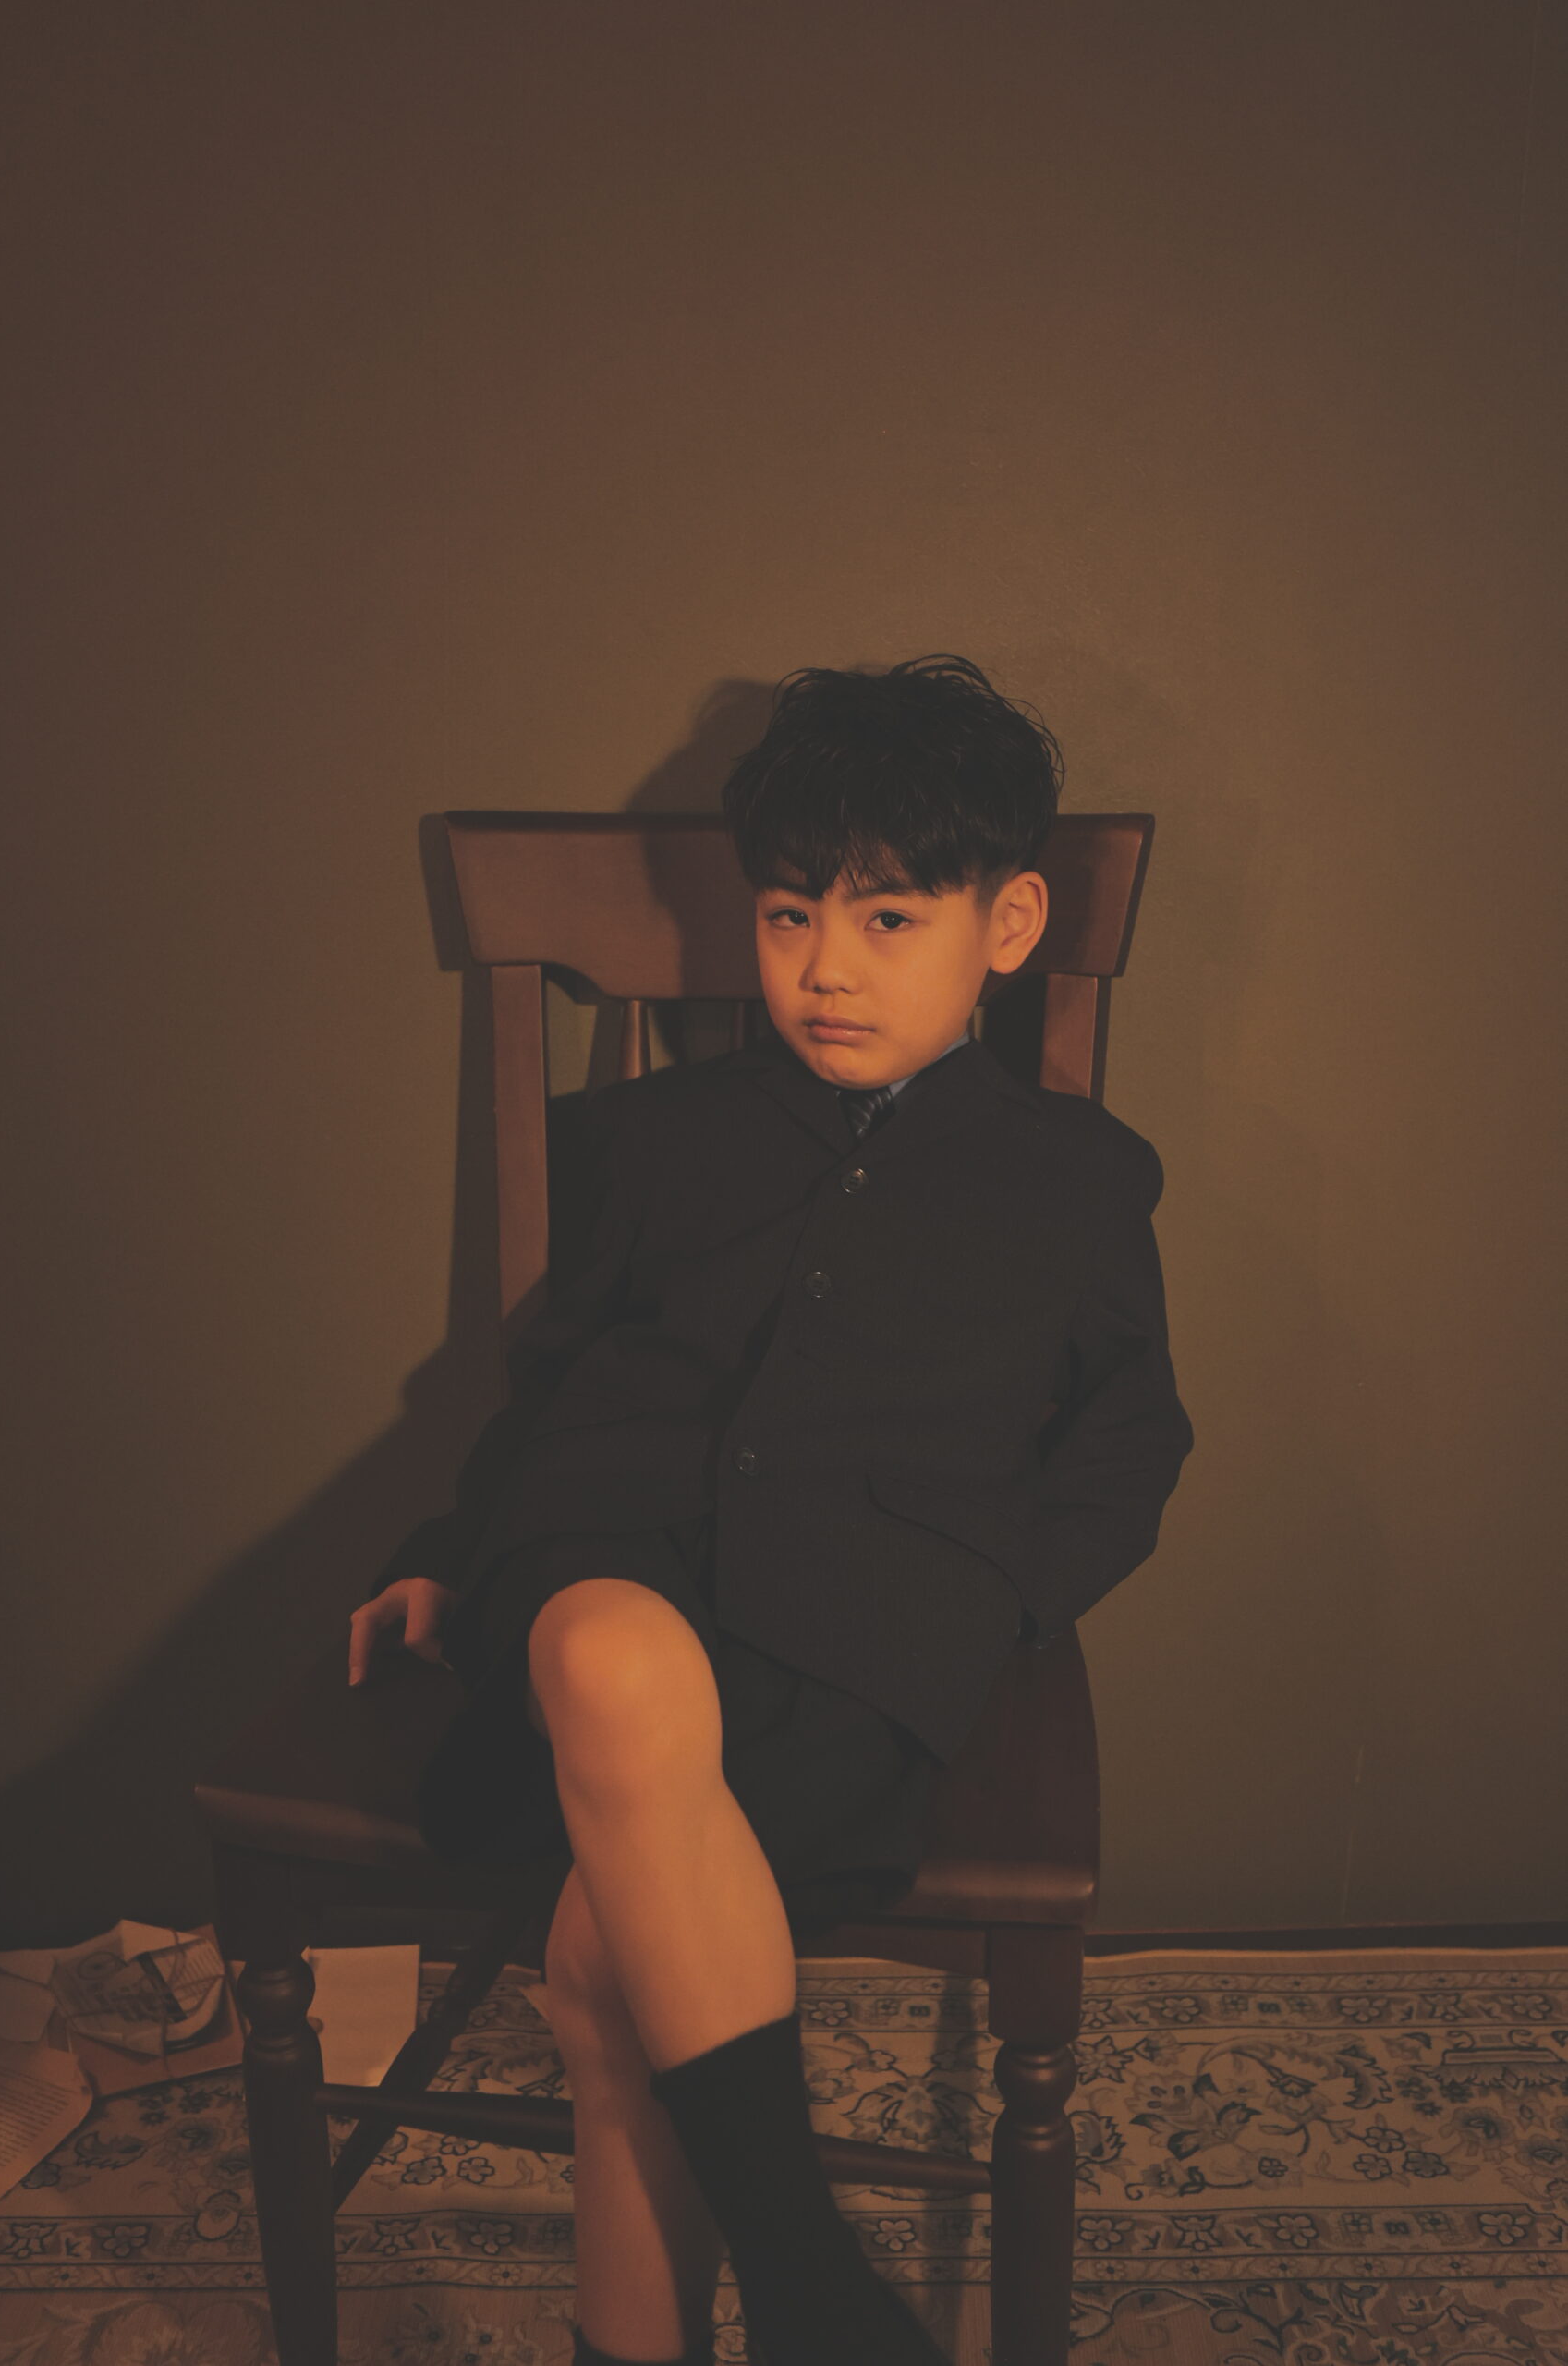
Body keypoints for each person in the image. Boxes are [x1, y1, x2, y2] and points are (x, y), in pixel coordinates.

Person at [349, 654, 1195, 2366]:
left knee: (605, 1975)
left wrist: (988, 1598)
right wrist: (450, 1553)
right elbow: (555, 1388)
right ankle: (813, 2285)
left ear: (1009, 923)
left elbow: (1132, 1440)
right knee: (612, 1658)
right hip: (608, 1560)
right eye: (791, 913)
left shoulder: (1081, 1179)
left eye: (887, 920)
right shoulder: (659, 1136)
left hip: (853, 1633)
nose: (825, 967)